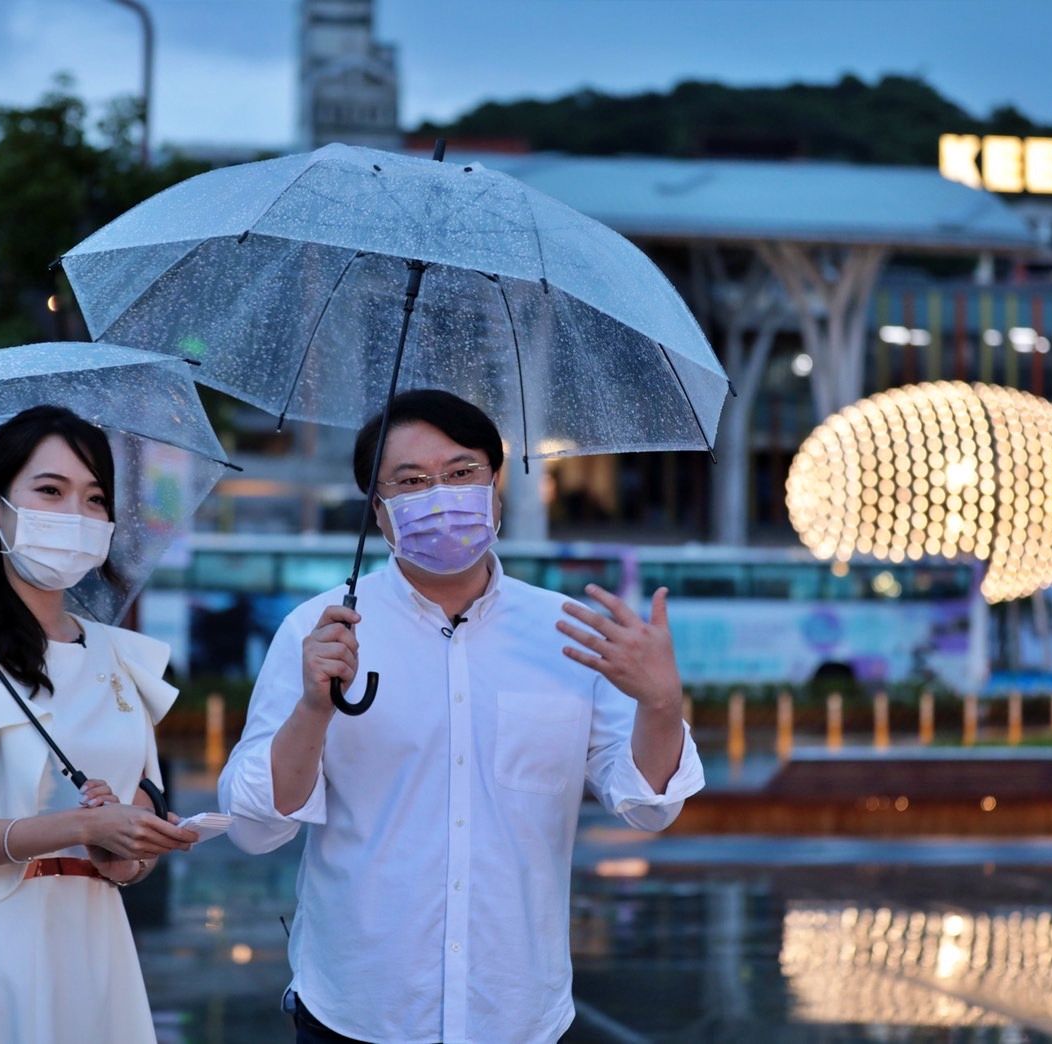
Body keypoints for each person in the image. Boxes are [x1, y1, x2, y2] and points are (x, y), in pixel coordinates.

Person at [219, 389, 705, 1043]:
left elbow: (648, 807)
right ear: (380, 514)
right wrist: (313, 708)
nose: (441, 495)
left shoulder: (566, 634)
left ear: (496, 492)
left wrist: (661, 704)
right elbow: (255, 827)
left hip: (516, 1011)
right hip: (357, 1010)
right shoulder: (318, 632)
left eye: (461, 473)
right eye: (412, 482)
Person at [0, 405, 199, 1043]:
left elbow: (134, 833)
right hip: (1, 949)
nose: (74, 516)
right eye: (50, 491)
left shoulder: (120, 654)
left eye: (94, 498)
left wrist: (126, 853)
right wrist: (82, 823)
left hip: (102, 952)